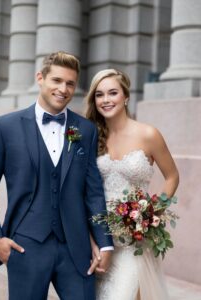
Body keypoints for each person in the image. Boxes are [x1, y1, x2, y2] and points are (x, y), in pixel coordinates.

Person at [0, 51, 113, 300]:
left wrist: (104, 242)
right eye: (57, 80)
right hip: (25, 246)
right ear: (40, 78)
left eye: (70, 83)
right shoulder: (5, 127)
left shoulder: (85, 130)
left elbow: (93, 192)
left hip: (76, 248)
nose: (63, 89)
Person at [86, 68, 179, 300]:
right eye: (99, 94)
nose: (106, 100)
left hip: (132, 241)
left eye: (112, 93)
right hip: (98, 238)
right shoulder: (92, 136)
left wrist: (150, 214)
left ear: (126, 96)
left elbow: (172, 177)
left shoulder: (148, 134)